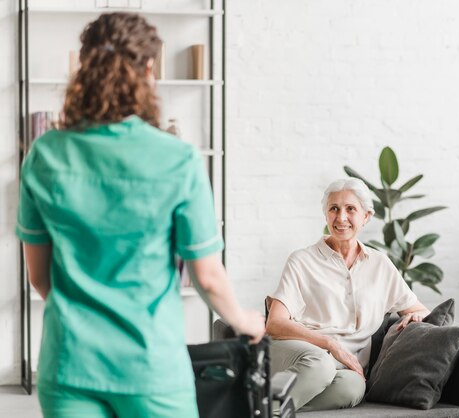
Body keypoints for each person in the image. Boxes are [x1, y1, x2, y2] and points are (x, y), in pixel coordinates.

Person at [15, 12, 264, 418]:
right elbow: (208, 277)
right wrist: (245, 321)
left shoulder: (45, 153)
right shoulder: (177, 158)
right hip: (151, 368)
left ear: (84, 67)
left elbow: (40, 278)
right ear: (149, 69)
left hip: (69, 364)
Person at [265, 178, 431, 412]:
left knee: (353, 388)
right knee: (320, 364)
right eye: (334, 209)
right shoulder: (302, 260)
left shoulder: (380, 264)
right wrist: (330, 344)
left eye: (350, 209)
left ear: (366, 216)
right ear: (326, 216)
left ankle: (263, 404)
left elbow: (419, 309)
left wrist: (415, 317)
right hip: (299, 354)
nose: (341, 218)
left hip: (342, 370)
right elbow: (275, 323)